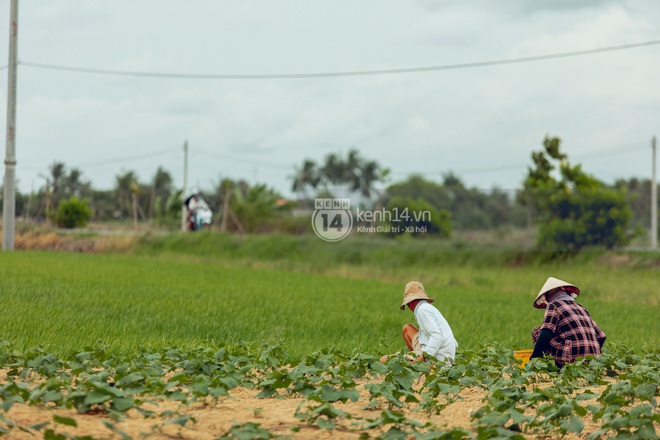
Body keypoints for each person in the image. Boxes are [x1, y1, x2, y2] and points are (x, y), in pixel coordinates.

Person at [530, 277, 606, 368]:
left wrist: (533, 359)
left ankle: (551, 366)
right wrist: (591, 352)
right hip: (593, 361)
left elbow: (546, 332)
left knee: (537, 331)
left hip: (570, 358)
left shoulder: (553, 306)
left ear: (547, 297)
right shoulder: (581, 308)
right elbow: (601, 336)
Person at [381, 281, 458, 366]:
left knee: (384, 360)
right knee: (407, 328)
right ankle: (413, 355)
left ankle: (415, 361)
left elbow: (436, 336)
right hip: (445, 353)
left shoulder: (422, 310)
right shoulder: (427, 307)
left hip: (437, 359)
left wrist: (422, 358)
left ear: (409, 303)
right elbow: (453, 343)